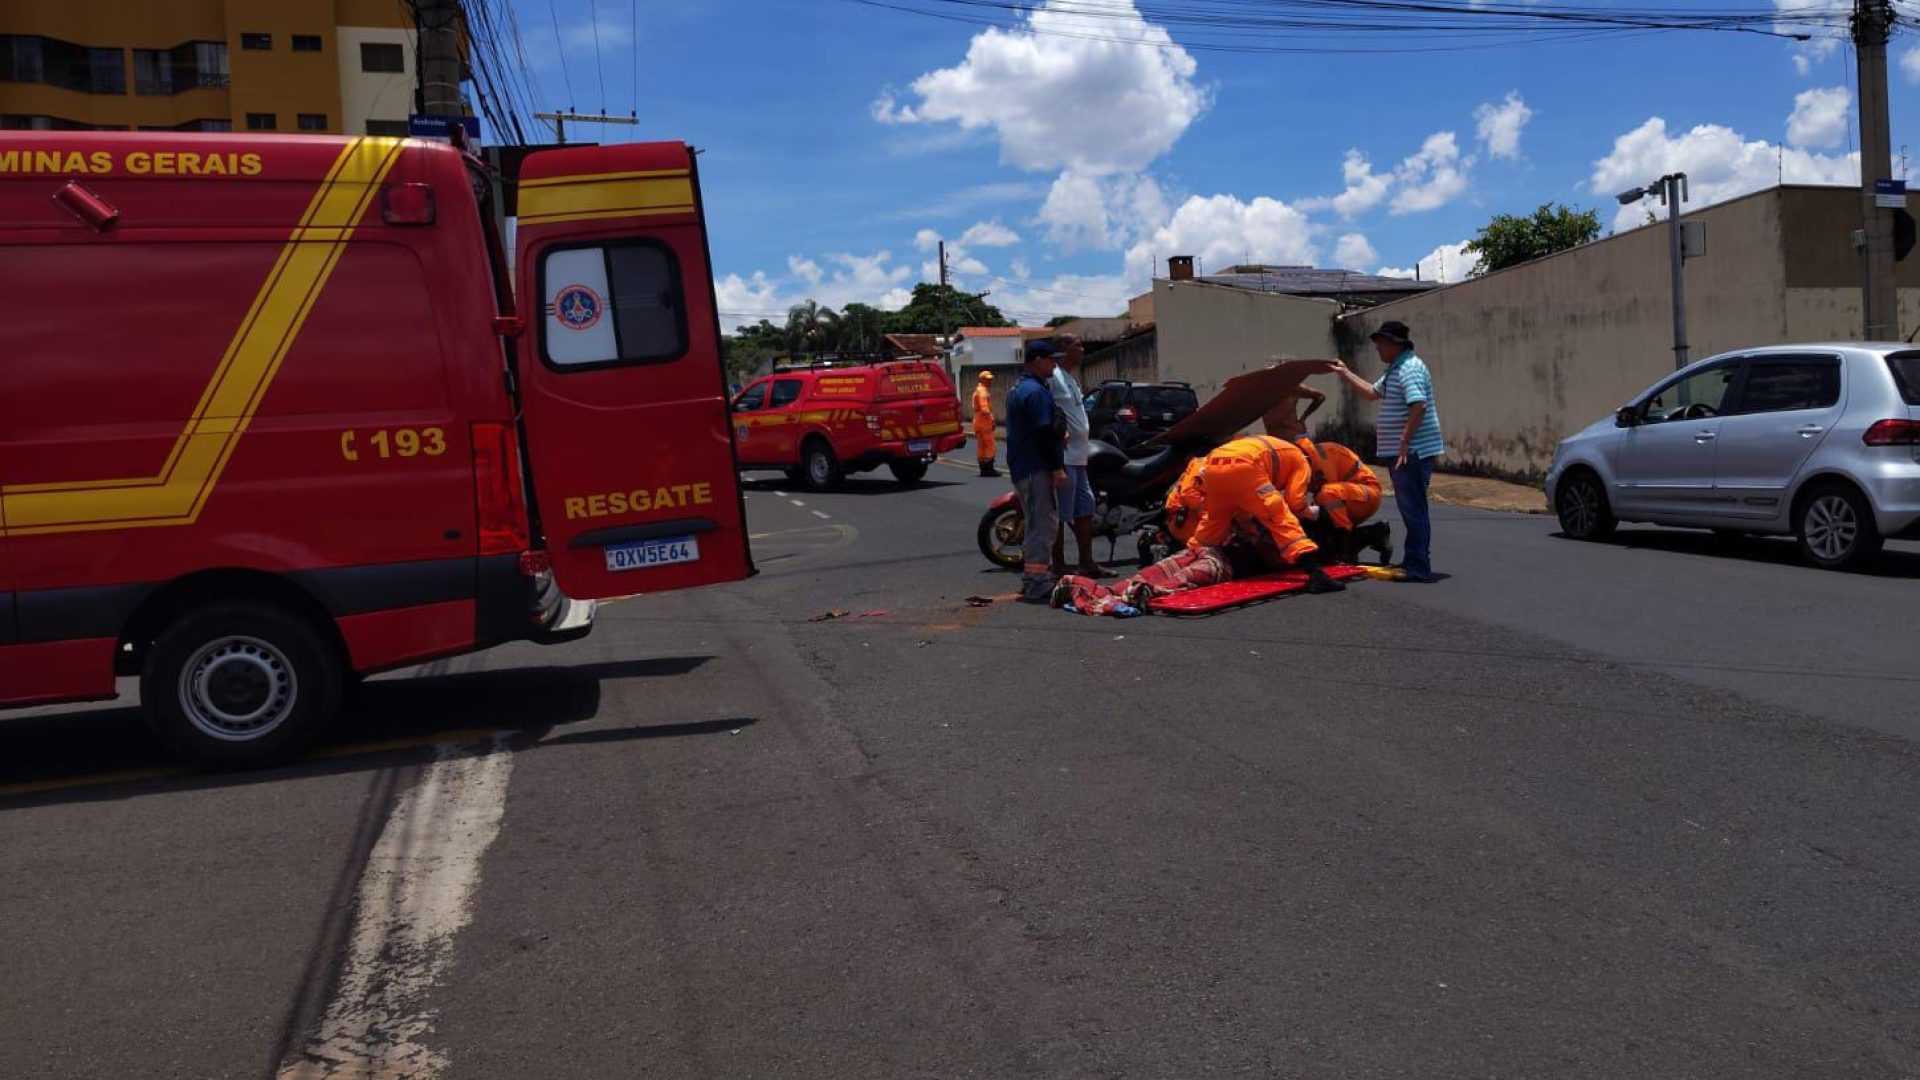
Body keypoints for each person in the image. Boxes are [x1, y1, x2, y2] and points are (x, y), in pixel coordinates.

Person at [1332, 320, 1444, 582]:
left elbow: (1419, 405)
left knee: (1413, 509)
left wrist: (1404, 440)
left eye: (1380, 343)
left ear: (1394, 343)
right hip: (1408, 450)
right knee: (1413, 508)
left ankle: (1417, 566)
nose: (1377, 348)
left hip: (1410, 451)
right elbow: (1373, 392)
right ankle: (1414, 560)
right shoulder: (1397, 367)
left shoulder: (1409, 369)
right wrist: (1345, 373)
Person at [1186, 435, 1345, 593]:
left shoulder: (1278, 446)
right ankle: (1316, 574)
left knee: (1213, 522)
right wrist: (1312, 512)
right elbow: (1295, 500)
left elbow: (1245, 502)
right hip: (1245, 467)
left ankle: (1186, 560)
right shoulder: (1302, 460)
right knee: (1279, 518)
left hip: (1212, 467)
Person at [1007, 340, 1067, 603]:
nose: (1055, 364)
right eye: (1052, 359)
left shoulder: (1022, 388)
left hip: (1027, 465)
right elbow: (1043, 433)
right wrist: (1057, 467)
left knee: (1041, 523)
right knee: (1041, 525)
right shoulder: (1035, 392)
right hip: (1036, 467)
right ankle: (1035, 583)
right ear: (1038, 360)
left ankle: (1037, 578)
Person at [1045, 334, 1110, 578]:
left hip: (1079, 458)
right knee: (1060, 516)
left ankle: (1087, 563)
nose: (1082, 350)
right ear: (1062, 348)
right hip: (1065, 458)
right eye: (1077, 345)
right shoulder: (1053, 377)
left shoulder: (1070, 378)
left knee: (1085, 510)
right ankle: (1059, 565)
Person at [1052, 545, 1236, 617]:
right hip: (1212, 555)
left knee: (1170, 576)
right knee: (1157, 576)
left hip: (1211, 553)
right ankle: (1135, 591)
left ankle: (1132, 590)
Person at [970, 370, 1000, 477]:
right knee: (990, 445)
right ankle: (989, 469)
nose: (990, 381)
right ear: (982, 379)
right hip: (984, 422)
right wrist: (992, 420)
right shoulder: (982, 391)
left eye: (990, 379)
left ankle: (983, 469)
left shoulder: (977, 391)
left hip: (978, 422)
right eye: (987, 379)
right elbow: (984, 409)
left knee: (981, 446)